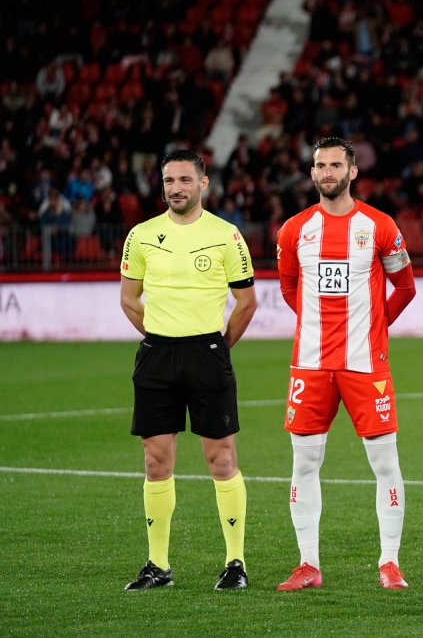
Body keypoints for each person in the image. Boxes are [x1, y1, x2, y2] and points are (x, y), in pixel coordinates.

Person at [274, 137, 417, 591]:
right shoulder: (293, 230)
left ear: (353, 171)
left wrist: (375, 329)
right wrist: (321, 328)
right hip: (311, 366)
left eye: (336, 165)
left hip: (365, 366)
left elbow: (406, 287)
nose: (327, 172)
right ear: (312, 172)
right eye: (320, 165)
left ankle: (389, 563)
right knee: (304, 465)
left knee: (385, 465)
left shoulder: (379, 226)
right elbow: (290, 291)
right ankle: (308, 565)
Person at [118, 149, 258, 591]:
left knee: (221, 458)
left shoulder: (227, 235)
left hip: (207, 354)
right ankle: (157, 565)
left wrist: (217, 348)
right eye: (168, 181)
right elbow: (128, 298)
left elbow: (246, 301)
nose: (175, 188)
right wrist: (159, 336)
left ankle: (235, 562)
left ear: (203, 184)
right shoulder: (141, 235)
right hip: (157, 357)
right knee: (155, 461)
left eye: (183, 180)